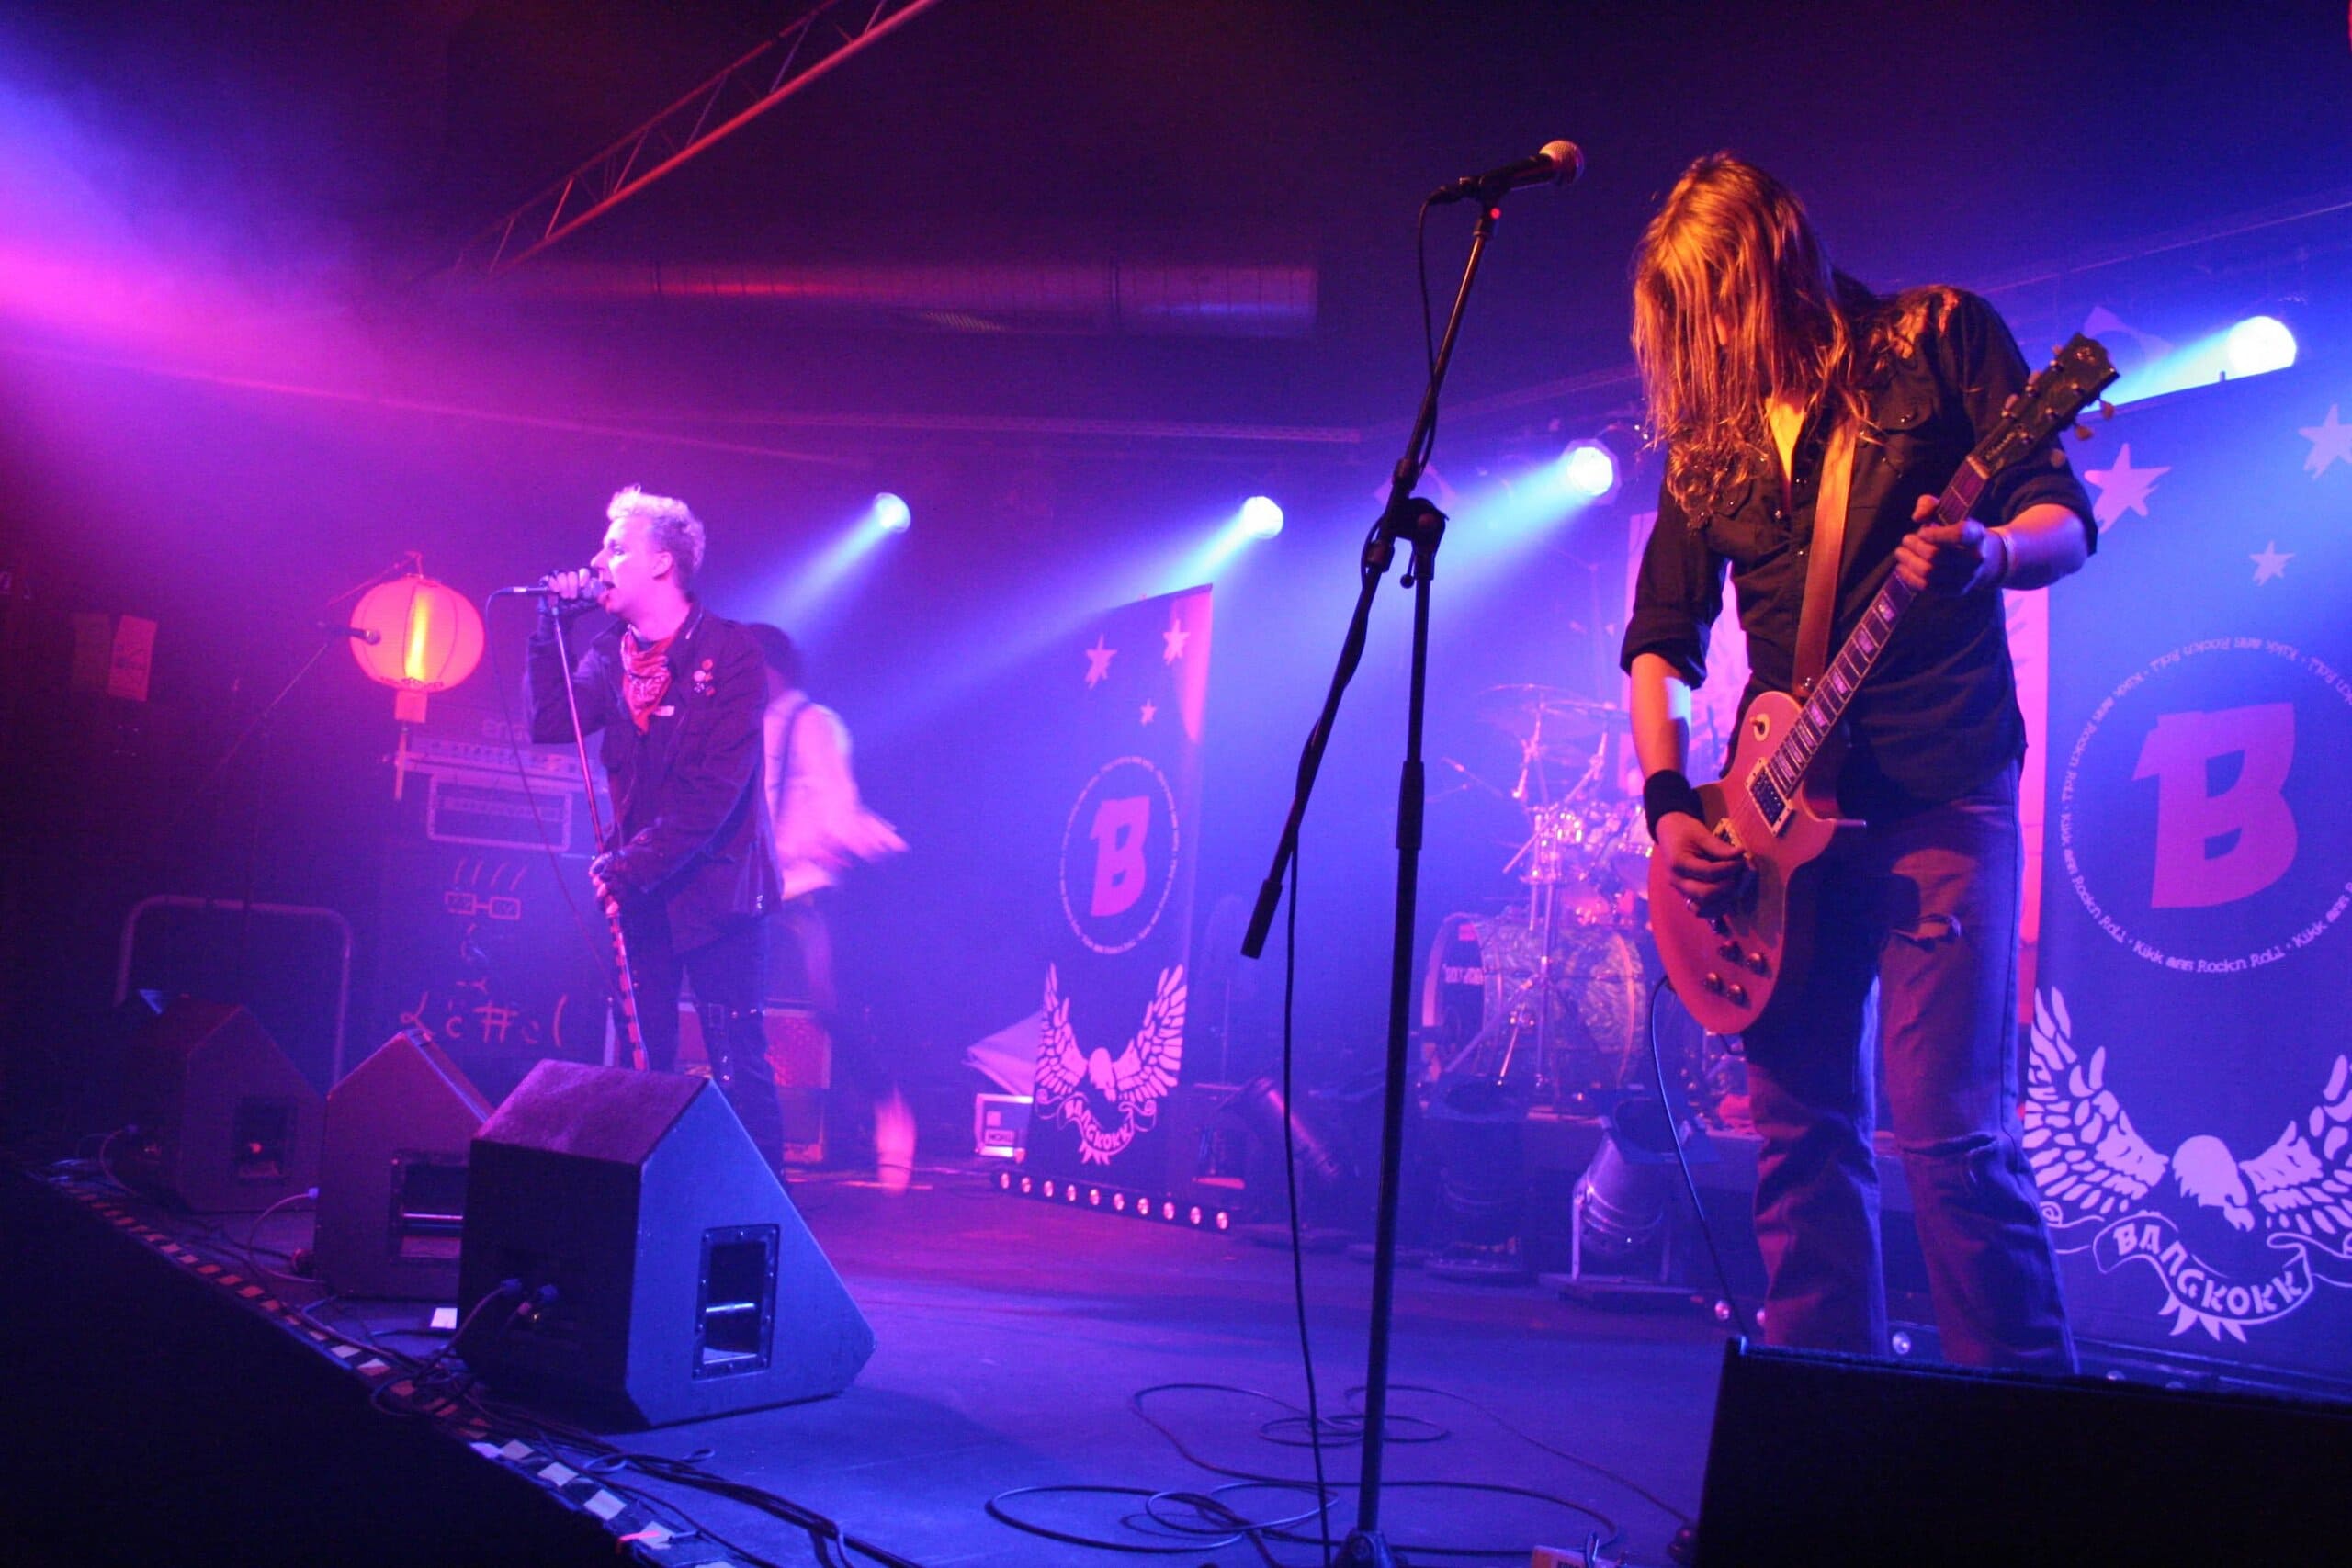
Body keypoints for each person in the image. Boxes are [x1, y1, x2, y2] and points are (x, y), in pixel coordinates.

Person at [1621, 154, 2093, 1371]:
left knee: (1953, 1142)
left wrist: (1991, 552)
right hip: (1774, 826)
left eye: (1711, 314)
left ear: (1771, 271)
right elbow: (1661, 643)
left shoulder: (1934, 339)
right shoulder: (1709, 445)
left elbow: (2063, 520)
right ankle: (1822, 1435)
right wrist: (1670, 804)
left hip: (1940, 789)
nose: (1700, 353)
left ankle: (2035, 1452)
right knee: (1798, 1139)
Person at [528, 486, 786, 1177]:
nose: (598, 560)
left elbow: (715, 793)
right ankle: (647, 1201)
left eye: (616, 548)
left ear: (663, 563)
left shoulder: (731, 653)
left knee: (736, 1057)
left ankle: (764, 1209)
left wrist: (629, 864)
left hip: (721, 892)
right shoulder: (610, 655)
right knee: (643, 1065)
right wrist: (549, 625)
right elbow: (550, 720)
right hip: (643, 891)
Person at [745, 624, 906, 1166]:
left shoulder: (814, 723)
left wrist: (859, 838)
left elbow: (837, 809)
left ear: (770, 669)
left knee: (827, 1008)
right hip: (752, 891)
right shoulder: (745, 724)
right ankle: (748, 1132)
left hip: (804, 892)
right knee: (737, 1011)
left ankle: (887, 1105)